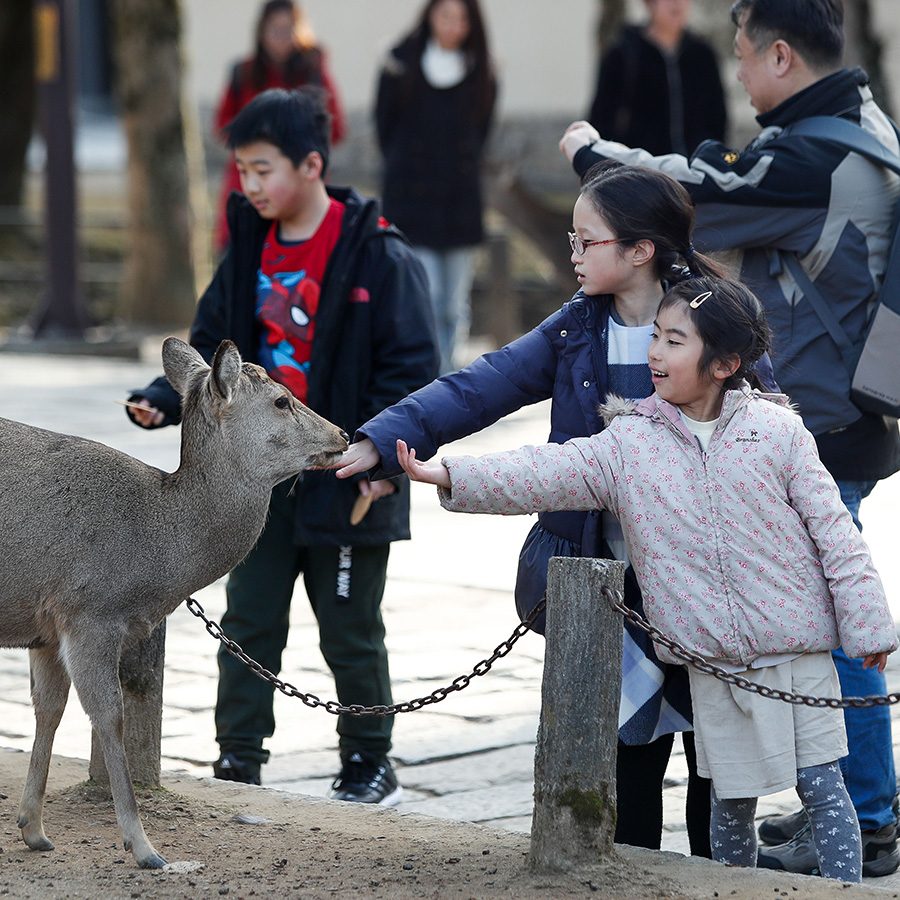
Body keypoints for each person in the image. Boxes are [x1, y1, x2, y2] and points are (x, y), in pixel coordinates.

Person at [334, 162, 780, 854]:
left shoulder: (717, 318)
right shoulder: (579, 327)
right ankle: (631, 876)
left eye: (586, 241)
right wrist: (384, 436)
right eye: (571, 240)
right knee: (628, 754)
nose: (572, 255)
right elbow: (482, 383)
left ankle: (721, 879)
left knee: (715, 765)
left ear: (641, 250)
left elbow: (770, 432)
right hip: (610, 574)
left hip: (707, 582)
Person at [396, 274, 897, 883]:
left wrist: (867, 625)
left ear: (724, 363)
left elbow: (837, 536)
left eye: (675, 341)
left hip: (798, 647)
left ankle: (841, 892)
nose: (654, 353)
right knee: (729, 800)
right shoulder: (630, 441)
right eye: (655, 336)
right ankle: (731, 890)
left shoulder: (779, 432)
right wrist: (449, 474)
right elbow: (547, 469)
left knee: (822, 785)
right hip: (710, 657)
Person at [559, 0, 900, 876]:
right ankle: (863, 807)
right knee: (834, 605)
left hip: (822, 415)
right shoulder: (858, 125)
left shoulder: (816, 155)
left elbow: (699, 202)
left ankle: (869, 814)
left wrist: (597, 161)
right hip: (848, 404)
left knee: (836, 618)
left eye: (743, 56)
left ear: (782, 55)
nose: (740, 77)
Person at [126, 87, 439, 803]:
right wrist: (165, 393)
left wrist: (382, 455)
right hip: (252, 482)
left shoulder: (377, 255)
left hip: (351, 477)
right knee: (248, 619)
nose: (250, 185)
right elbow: (209, 346)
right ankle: (239, 756)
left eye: (263, 169)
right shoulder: (247, 247)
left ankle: (368, 759)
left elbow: (413, 369)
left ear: (311, 164)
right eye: (241, 170)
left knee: (351, 629)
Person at [375, 0, 497, 373]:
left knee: (453, 305)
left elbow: (480, 133)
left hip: (459, 202)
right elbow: (385, 128)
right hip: (411, 201)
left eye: (461, 18)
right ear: (430, 15)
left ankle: (447, 376)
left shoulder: (481, 71)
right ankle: (426, 379)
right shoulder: (399, 65)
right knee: (427, 296)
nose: (453, 25)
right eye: (446, 15)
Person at [213, 0, 346, 253]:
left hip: (300, 199)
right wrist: (259, 155)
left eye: (288, 30)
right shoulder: (245, 73)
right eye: (274, 30)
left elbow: (335, 128)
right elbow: (224, 126)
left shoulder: (314, 71)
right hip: (249, 206)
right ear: (261, 31)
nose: (281, 38)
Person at [588, 0, 727, 156]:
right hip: (640, 172)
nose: (677, 4)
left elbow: (718, 118)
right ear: (649, 3)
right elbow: (602, 118)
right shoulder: (624, 54)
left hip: (694, 171)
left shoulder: (703, 55)